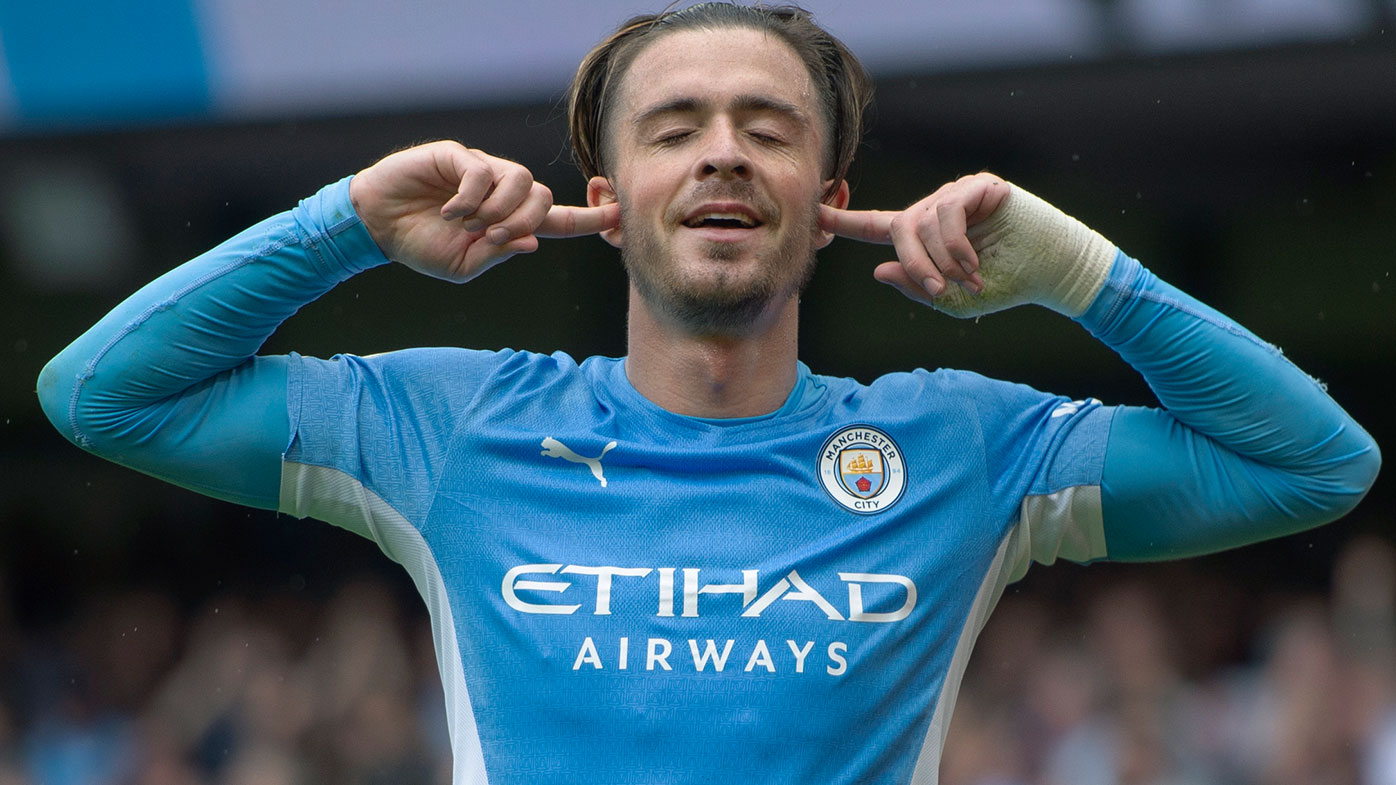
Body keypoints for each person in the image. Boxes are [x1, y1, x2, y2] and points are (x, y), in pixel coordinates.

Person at [36, 3, 1380, 784]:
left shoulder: (966, 446)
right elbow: (105, 396)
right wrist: (346, 221)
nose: (724, 153)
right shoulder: (451, 425)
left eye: (769, 128)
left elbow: (1313, 466)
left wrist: (1082, 274)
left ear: (831, 205)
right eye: (675, 130)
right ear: (607, 206)